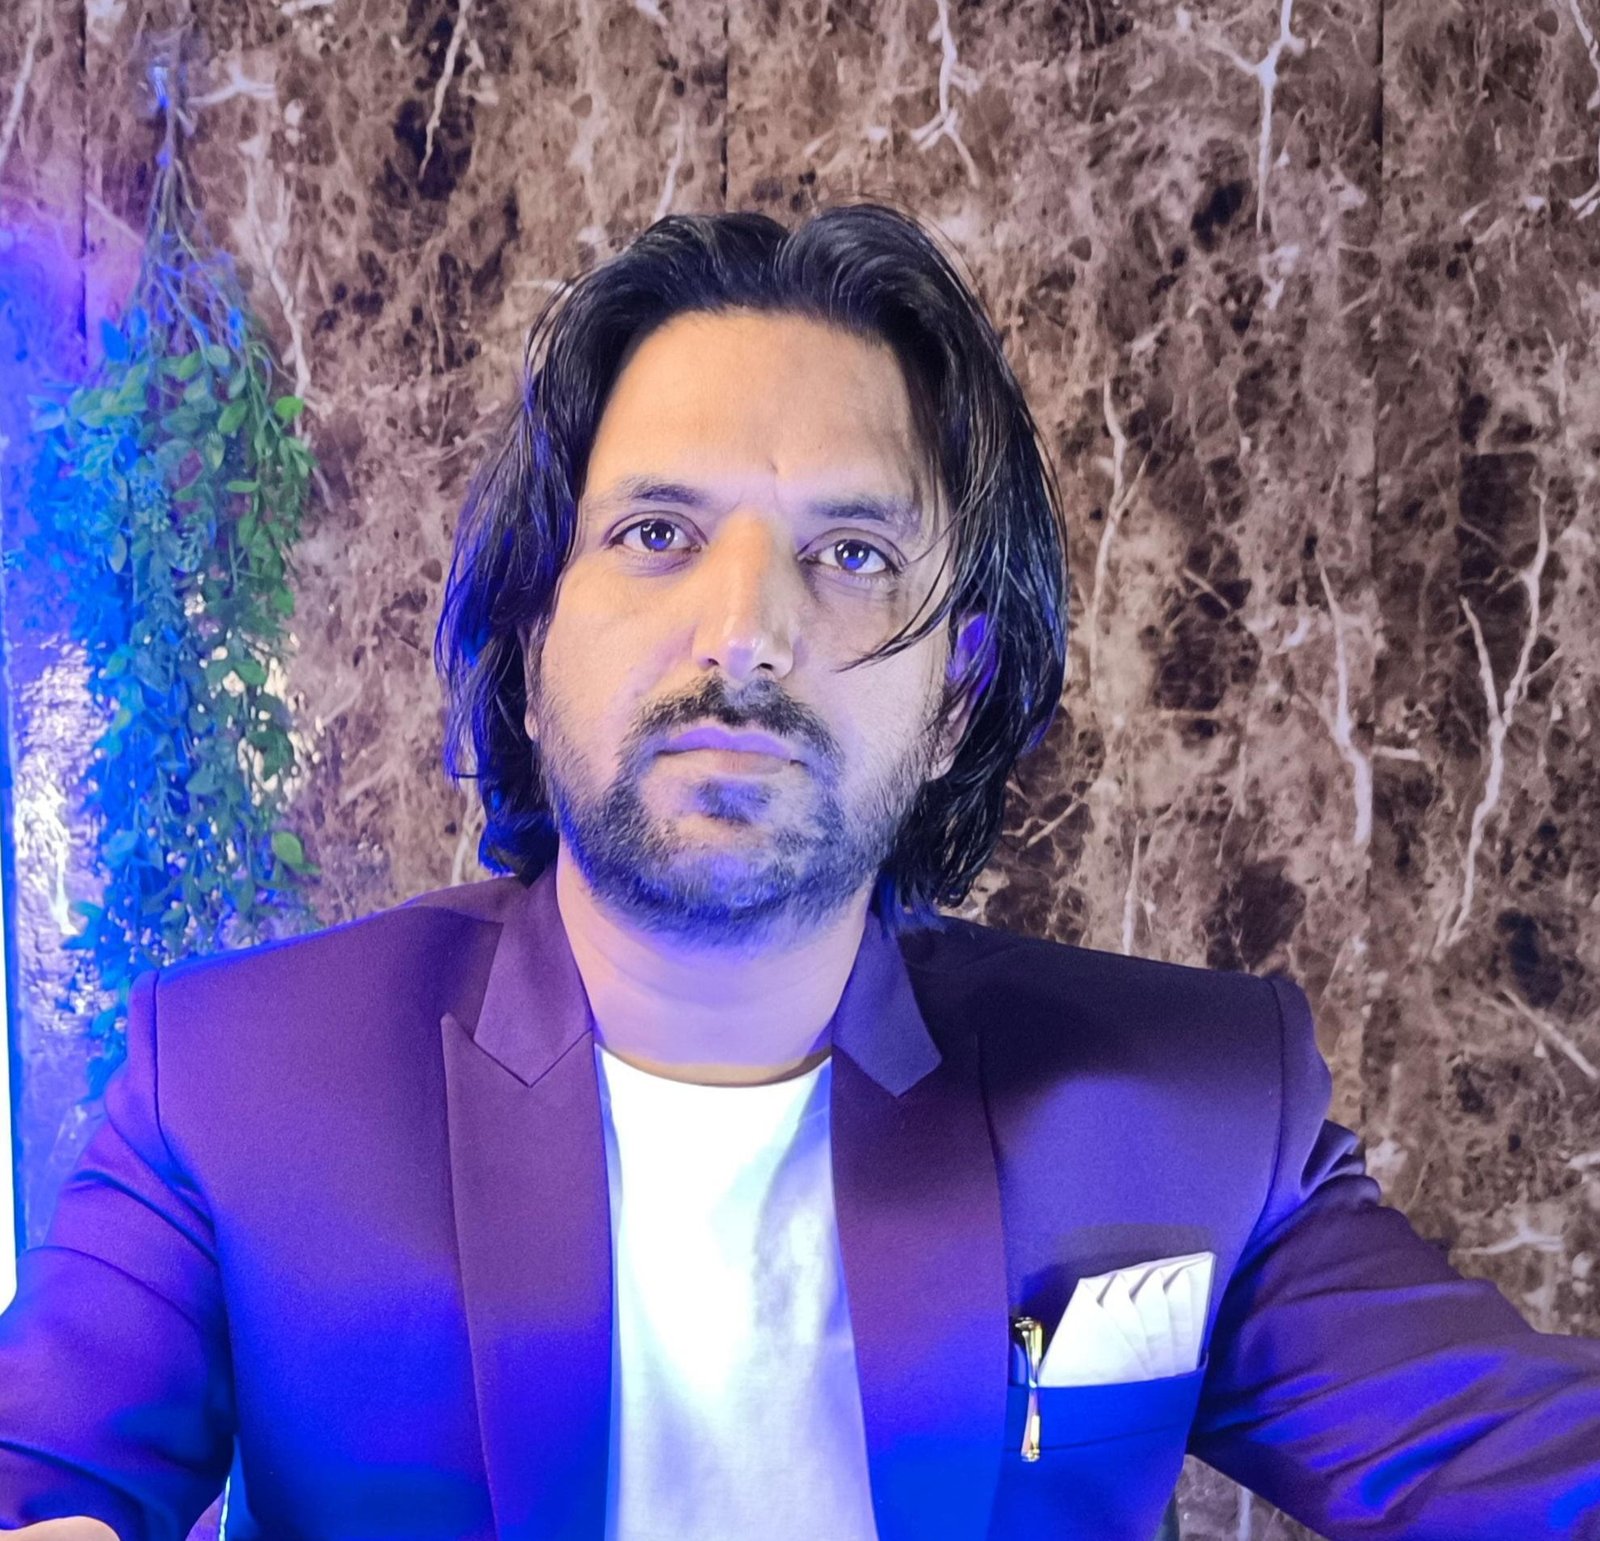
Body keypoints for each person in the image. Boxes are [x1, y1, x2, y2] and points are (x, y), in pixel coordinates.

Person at [1, 201, 1597, 1541]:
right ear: (535, 638)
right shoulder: (234, 1080)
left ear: (958, 691)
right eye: (656, 533)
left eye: (851, 554)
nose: (746, 629)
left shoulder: (1194, 1113)